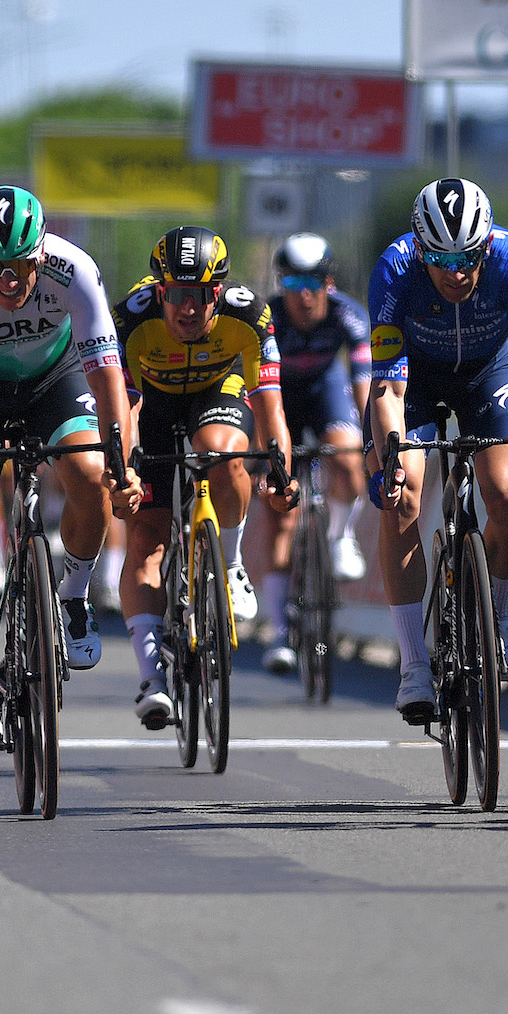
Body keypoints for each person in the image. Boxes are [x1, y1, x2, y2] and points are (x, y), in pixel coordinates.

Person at [0, 186, 132, 753]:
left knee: (89, 474)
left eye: (22, 268)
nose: (10, 282)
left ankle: (76, 594)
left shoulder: (75, 269)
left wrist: (121, 465)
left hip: (55, 381)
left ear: (41, 254)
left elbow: (109, 379)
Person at [369, 178, 508, 722]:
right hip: (416, 376)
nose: (455, 272)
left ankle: (499, 619)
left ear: (485, 246)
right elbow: (387, 388)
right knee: (403, 494)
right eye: (439, 258)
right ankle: (413, 663)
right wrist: (390, 453)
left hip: (490, 372)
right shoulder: (394, 268)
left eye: (466, 258)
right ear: (419, 247)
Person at [111, 225, 293, 729]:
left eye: (199, 297)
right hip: (150, 406)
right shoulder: (129, 318)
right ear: (159, 291)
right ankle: (151, 678)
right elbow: (122, 408)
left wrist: (281, 472)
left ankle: (230, 565)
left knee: (222, 453)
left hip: (216, 393)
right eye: (175, 296)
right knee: (146, 541)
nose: (187, 309)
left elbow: (271, 408)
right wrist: (124, 471)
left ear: (219, 292)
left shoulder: (250, 314)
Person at [260, 232, 371, 675]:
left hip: (327, 393)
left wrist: (373, 440)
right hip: (276, 399)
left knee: (346, 456)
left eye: (314, 283)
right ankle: (279, 632)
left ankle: (340, 536)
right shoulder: (265, 318)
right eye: (291, 284)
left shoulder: (350, 315)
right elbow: (254, 392)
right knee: (280, 509)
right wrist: (257, 455)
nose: (303, 295)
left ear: (330, 283)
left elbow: (365, 387)